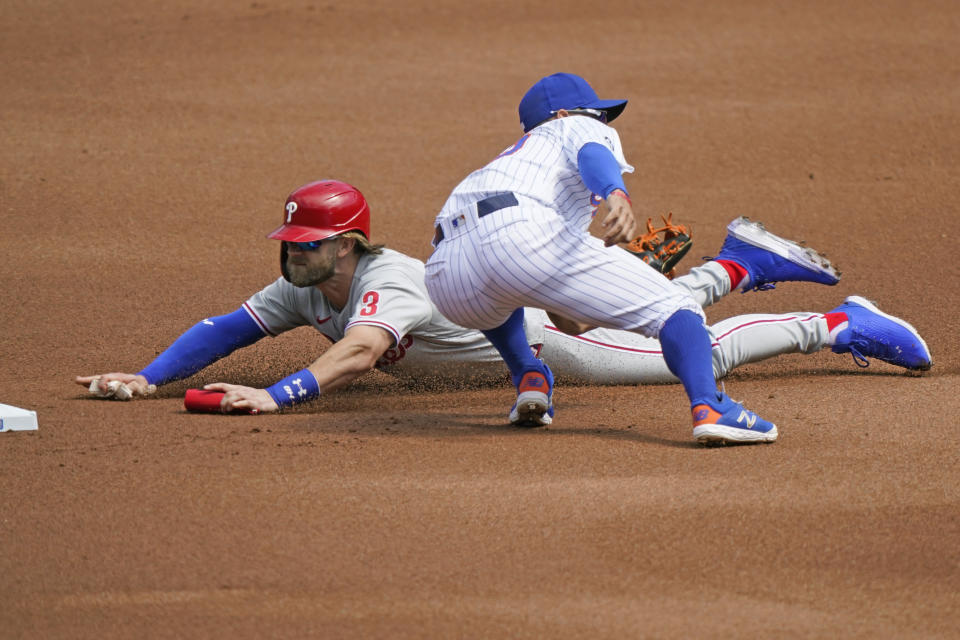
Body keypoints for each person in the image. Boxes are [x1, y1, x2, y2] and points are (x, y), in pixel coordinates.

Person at [76, 180, 932, 439]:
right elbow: (227, 329)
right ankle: (743, 263)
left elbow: (362, 352)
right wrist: (150, 378)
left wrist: (280, 395)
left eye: (308, 245)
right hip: (521, 324)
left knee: (677, 350)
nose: (294, 255)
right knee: (657, 315)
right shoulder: (301, 288)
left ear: (350, 245)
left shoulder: (391, 280)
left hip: (543, 343)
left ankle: (838, 324)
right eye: (290, 242)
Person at [422, 72, 927, 444]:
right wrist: (614, 194)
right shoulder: (565, 128)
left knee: (507, 297)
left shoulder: (504, 168)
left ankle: (529, 377)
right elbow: (593, 157)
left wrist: (590, 303)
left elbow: (540, 293)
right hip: (520, 242)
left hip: (447, 279)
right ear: (561, 115)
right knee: (677, 315)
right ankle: (714, 405)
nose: (600, 118)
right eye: (595, 111)